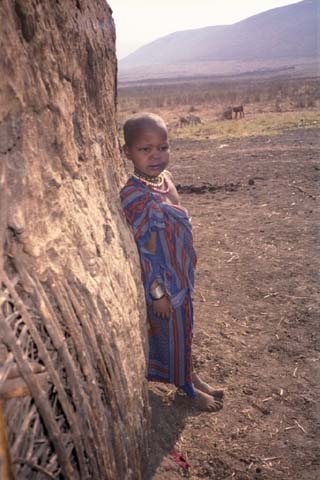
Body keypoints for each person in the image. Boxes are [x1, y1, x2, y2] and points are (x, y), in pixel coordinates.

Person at [120, 113, 223, 412]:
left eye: (162, 147)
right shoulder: (135, 196)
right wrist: (158, 293)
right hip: (163, 284)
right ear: (127, 152)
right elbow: (144, 251)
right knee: (172, 335)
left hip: (181, 275)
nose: (156, 156)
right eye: (145, 149)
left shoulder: (165, 181)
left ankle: (190, 374)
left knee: (185, 329)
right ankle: (185, 389)